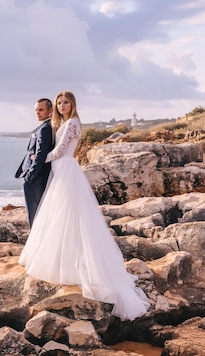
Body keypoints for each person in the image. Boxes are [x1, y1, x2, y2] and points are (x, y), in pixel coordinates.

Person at [19, 90, 150, 321]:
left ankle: (75, 264)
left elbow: (60, 151)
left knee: (70, 215)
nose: (62, 105)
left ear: (73, 104)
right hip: (61, 171)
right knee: (61, 217)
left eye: (65, 102)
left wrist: (36, 159)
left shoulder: (72, 124)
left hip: (66, 170)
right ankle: (66, 259)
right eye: (59, 102)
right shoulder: (65, 122)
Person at [15, 98, 54, 228]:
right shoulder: (44, 126)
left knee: (35, 214)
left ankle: (36, 243)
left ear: (50, 111)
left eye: (41, 110)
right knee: (38, 213)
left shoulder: (45, 128)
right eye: (36, 110)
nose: (37, 113)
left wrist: (30, 177)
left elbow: (41, 155)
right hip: (37, 177)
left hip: (36, 178)